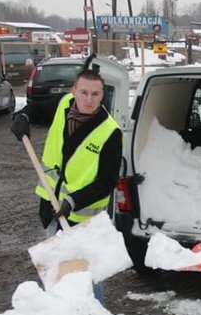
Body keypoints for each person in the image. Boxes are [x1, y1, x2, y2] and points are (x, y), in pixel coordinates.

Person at [10, 68, 122, 302]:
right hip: (50, 206)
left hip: (82, 218)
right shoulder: (64, 105)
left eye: (95, 94)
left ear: (102, 96)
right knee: (57, 273)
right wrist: (23, 116)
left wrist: (72, 201)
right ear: (74, 91)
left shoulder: (110, 132)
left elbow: (106, 182)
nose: (88, 100)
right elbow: (36, 109)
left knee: (87, 277)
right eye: (84, 92)